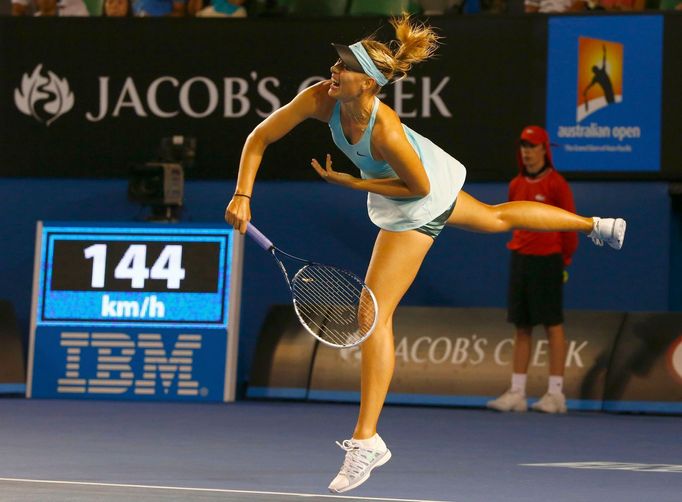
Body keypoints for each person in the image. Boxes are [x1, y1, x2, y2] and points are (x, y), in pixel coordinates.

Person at [224, 14, 626, 494]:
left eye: (346, 66)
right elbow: (259, 138)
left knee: (371, 311)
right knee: (497, 217)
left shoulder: (385, 131)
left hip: (417, 193)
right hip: (413, 179)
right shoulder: (320, 97)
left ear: (369, 83)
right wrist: (243, 194)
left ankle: (367, 439)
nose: (335, 69)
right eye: (338, 60)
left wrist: (355, 181)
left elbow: (416, 188)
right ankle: (595, 225)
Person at [486, 125, 577, 415]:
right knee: (521, 326)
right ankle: (517, 392)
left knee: (553, 325)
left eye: (532, 146)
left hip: (549, 260)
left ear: (543, 149)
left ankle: (556, 394)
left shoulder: (557, 185)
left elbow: (570, 228)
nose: (527, 151)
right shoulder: (515, 184)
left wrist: (564, 261)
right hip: (521, 258)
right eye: (523, 146)